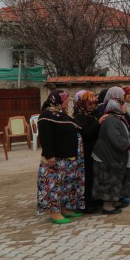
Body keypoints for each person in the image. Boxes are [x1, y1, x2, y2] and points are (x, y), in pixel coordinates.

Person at [36, 90, 84, 224]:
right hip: (54, 159)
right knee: (54, 186)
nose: (67, 102)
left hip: (67, 158)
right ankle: (54, 212)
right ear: (56, 101)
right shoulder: (46, 116)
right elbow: (45, 137)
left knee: (66, 186)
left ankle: (64, 208)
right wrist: (49, 155)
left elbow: (77, 126)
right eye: (65, 100)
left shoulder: (63, 115)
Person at [93, 98, 130, 215]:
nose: (125, 107)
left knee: (115, 177)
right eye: (122, 105)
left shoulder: (118, 117)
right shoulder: (110, 119)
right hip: (106, 154)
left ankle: (114, 201)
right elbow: (115, 138)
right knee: (107, 178)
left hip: (113, 153)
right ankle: (107, 206)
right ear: (116, 106)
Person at [72, 90, 102, 214]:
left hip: (95, 149)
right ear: (82, 104)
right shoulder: (79, 116)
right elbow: (86, 133)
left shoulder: (93, 114)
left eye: (94, 104)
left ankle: (94, 200)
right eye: (89, 104)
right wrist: (98, 123)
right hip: (85, 151)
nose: (92, 106)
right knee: (87, 177)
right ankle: (86, 204)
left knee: (94, 176)